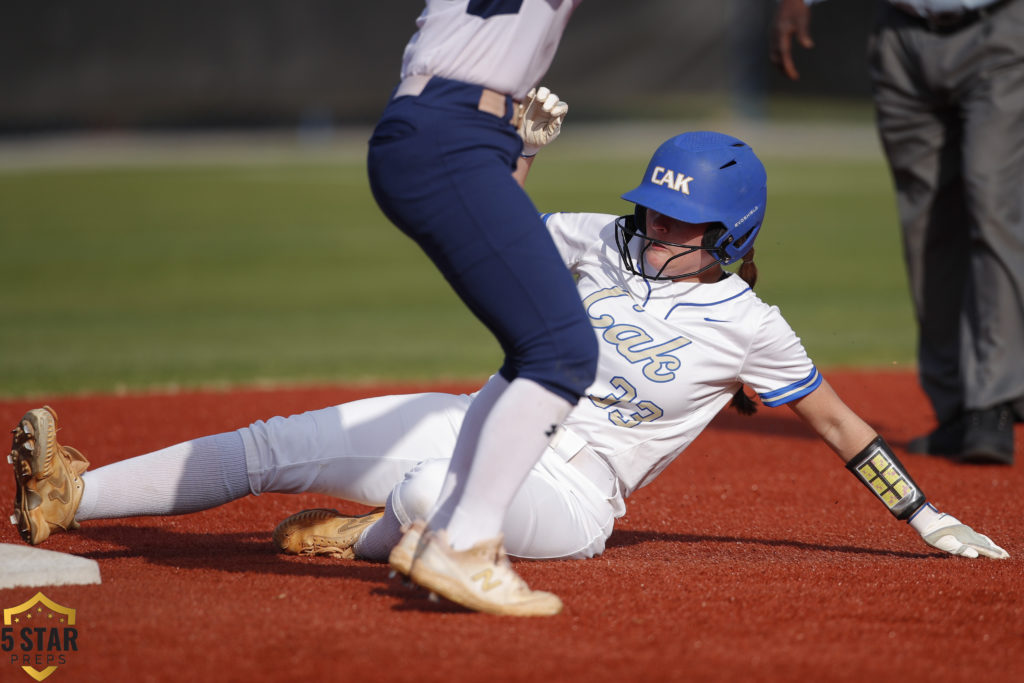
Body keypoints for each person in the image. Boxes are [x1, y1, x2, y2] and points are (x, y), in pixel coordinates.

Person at [10, 118, 1009, 618]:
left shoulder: (751, 325)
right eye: (652, 204)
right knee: (285, 441)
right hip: (476, 417)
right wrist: (515, 152)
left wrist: (925, 514)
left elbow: (840, 426)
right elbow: (507, 230)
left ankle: (375, 535)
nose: (655, 224)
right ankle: (73, 493)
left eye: (680, 218)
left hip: (571, 497)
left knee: (419, 489)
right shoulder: (597, 238)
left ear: (727, 232)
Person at [364, 0, 594, 615]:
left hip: (448, 126)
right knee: (564, 351)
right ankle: (465, 546)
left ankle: (445, 537)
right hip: (453, 131)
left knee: (536, 349)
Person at [769, 0, 1024, 466]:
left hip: (998, 29)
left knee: (993, 208)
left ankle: (993, 402)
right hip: (899, 35)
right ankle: (953, 407)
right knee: (925, 223)